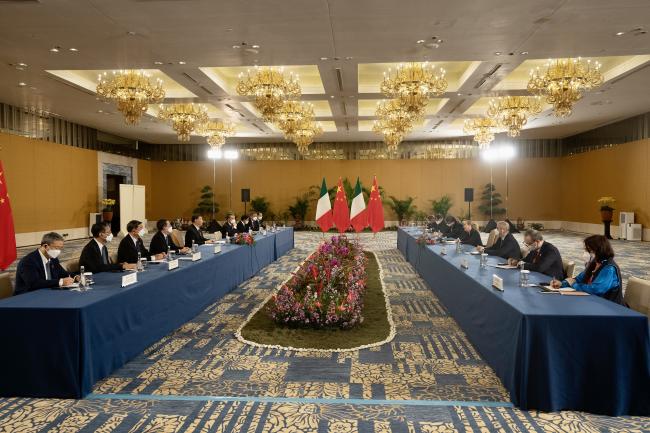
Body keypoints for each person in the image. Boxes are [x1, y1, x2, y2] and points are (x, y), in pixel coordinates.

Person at [551, 235, 624, 304]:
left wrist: (574, 285)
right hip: (594, 302)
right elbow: (578, 279)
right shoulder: (594, 264)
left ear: (599, 250)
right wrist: (562, 284)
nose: (586, 253)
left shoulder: (609, 268)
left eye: (589, 250)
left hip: (610, 307)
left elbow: (596, 289)